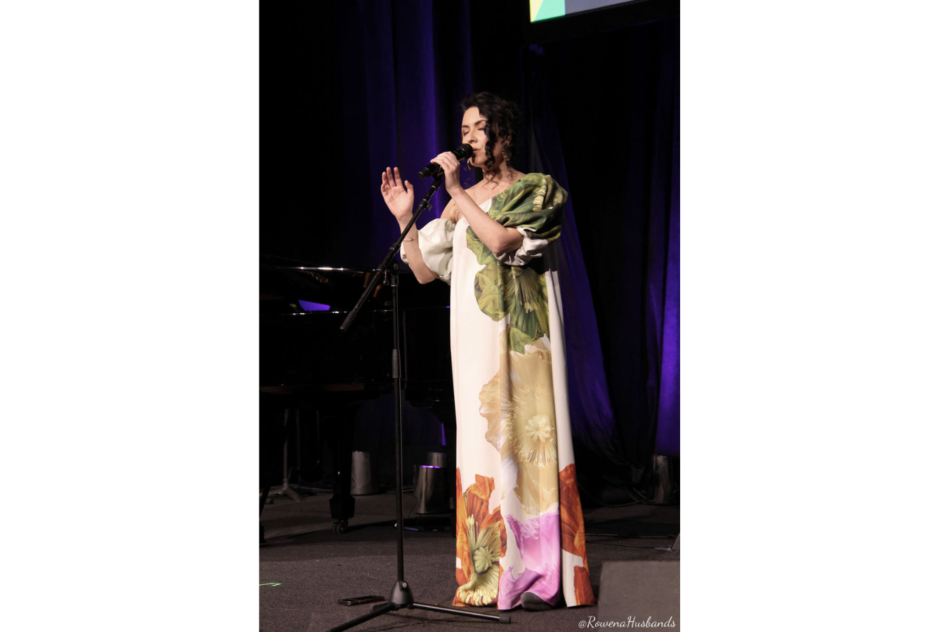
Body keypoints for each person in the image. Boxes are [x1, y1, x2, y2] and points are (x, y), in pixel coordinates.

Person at [380, 92, 596, 612]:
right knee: (481, 449)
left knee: (530, 444)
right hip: (475, 344)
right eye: (464, 129)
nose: (467, 138)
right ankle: (490, 569)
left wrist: (458, 191)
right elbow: (426, 270)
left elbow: (502, 242)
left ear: (501, 134)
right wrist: (405, 220)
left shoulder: (537, 189)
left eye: (477, 129)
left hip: (526, 344)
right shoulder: (459, 202)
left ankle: (544, 573)